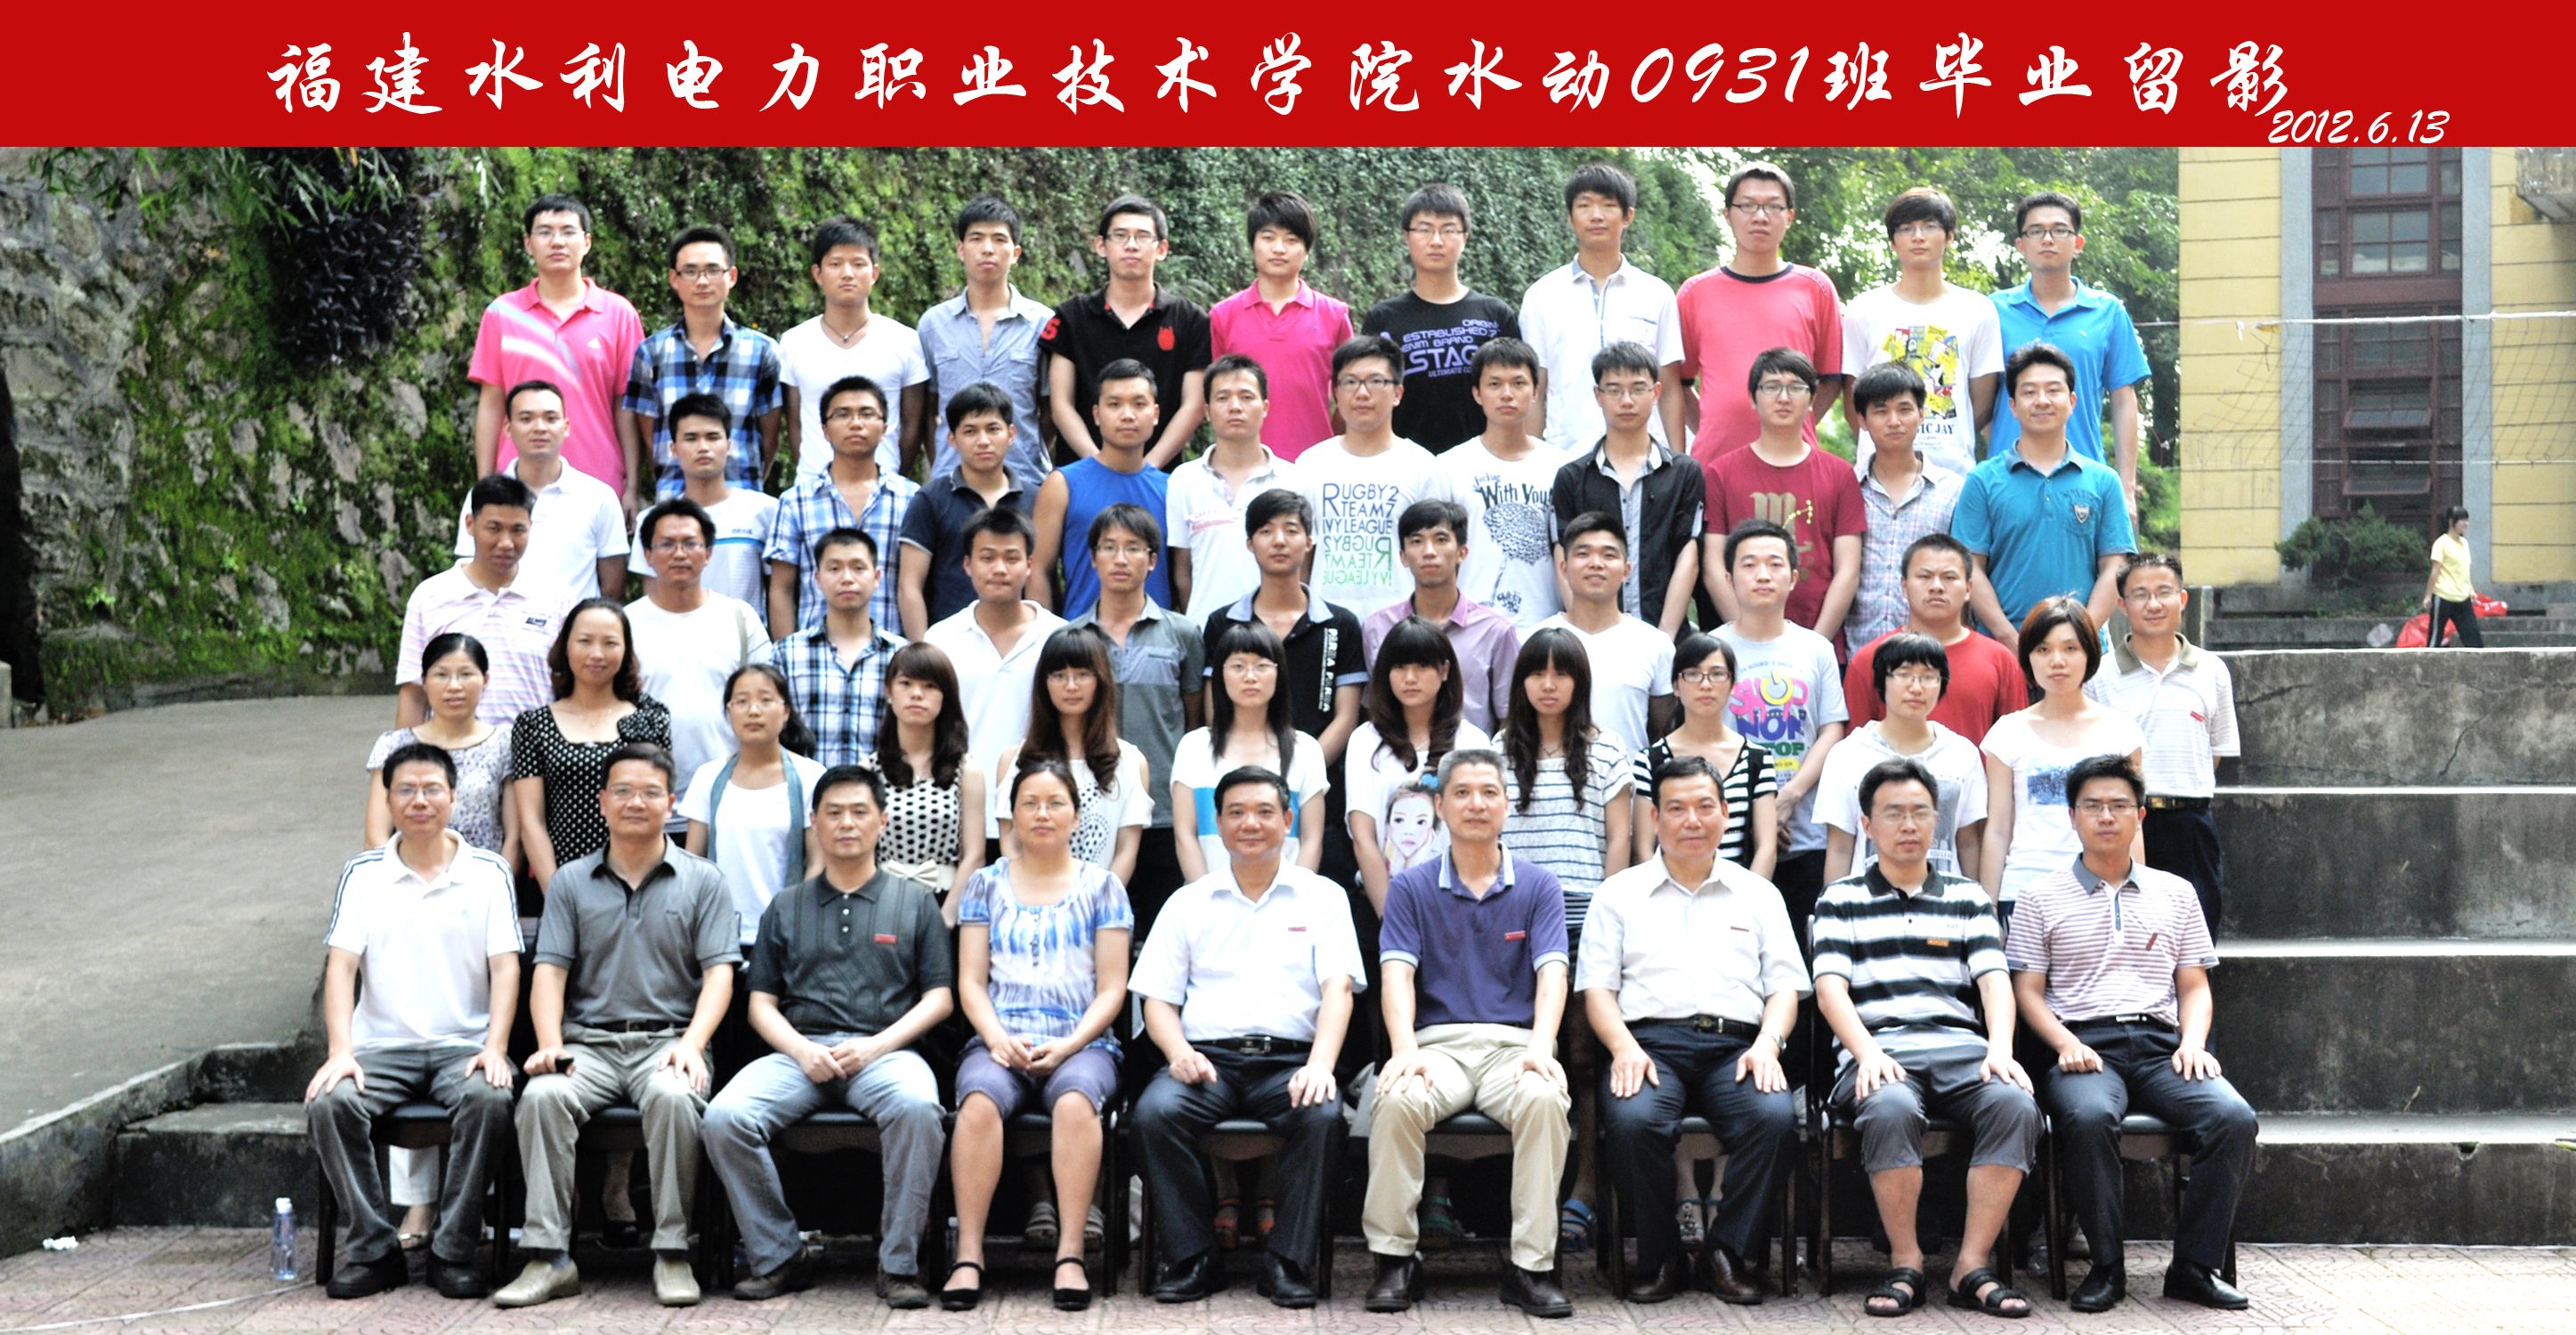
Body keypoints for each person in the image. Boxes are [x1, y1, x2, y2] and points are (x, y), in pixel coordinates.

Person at [2007, 756, 2256, 1314]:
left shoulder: (2177, 892)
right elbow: (2027, 991)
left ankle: (2193, 1267)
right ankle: (2106, 1266)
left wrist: (2193, 1042)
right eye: (2093, 806)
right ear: (2072, 816)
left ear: (2140, 816)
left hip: (2163, 1047)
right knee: (2089, 1117)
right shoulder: (2040, 896)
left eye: (2119, 805)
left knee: (2233, 1118)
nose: (2106, 816)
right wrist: (2065, 1043)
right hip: (2084, 1047)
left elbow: (2194, 985)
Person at [701, 765, 954, 1307]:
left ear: (882, 821)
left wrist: (877, 1045)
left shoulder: (914, 902)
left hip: (886, 1053)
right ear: (813, 822)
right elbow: (760, 1004)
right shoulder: (786, 905)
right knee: (725, 1117)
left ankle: (899, 1264)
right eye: (833, 813)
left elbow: (939, 998)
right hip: (800, 1055)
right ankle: (779, 1255)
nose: (846, 823)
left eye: (860, 812)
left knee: (918, 1109)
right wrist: (801, 1049)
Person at [498, 742, 735, 1310]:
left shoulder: (703, 880)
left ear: (671, 803)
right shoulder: (572, 882)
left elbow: (719, 975)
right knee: (542, 1097)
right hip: (590, 1045)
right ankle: (549, 1258)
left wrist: (693, 1044)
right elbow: (549, 973)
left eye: (651, 792)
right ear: (603, 802)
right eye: (623, 791)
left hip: (669, 1041)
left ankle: (672, 1253)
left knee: (674, 1099)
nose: (636, 802)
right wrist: (550, 1044)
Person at [1810, 757, 2039, 1319]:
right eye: (1894, 814)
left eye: (1919, 812)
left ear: (1937, 820)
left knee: (2015, 1104)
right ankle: (1906, 1262)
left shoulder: (1969, 897)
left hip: (1960, 1051)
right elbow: (1830, 990)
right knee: (1889, 1106)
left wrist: (2001, 1049)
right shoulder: (1839, 899)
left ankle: (1971, 1266)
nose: (1908, 825)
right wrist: (1866, 1052)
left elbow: (1995, 982)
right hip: (1878, 1052)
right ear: (1867, 825)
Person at [1579, 755, 1809, 1305]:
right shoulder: (1618, 894)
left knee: (1774, 1120)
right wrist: (1623, 1048)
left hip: (1738, 1047)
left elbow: (1784, 989)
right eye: (1677, 808)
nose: (1692, 820)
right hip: (1650, 1046)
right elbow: (1598, 991)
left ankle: (1725, 1252)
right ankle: (1661, 1257)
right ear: (1655, 817)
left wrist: (1769, 1045)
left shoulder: (1759, 893)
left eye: (1705, 806)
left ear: (1726, 813)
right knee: (1634, 1123)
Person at [1131, 766, 1365, 1307]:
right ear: (1218, 824)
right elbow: (1157, 999)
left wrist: (1321, 1065)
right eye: (1236, 813)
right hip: (1207, 1062)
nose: (1250, 824)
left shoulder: (1322, 897)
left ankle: (1287, 1260)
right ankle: (1193, 1257)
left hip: (1290, 1064)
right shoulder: (1189, 902)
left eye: (1264, 812)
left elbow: (1338, 990)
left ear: (1288, 820)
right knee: (1154, 1114)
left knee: (1322, 1116)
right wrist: (1178, 1053)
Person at [1364, 748, 1576, 1317]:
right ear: (1439, 806)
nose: (1475, 804)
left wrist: (1542, 1047)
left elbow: (1553, 974)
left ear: (1507, 804)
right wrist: (1404, 1050)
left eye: (1488, 792)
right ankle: (1394, 1261)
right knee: (1397, 1100)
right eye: (1461, 793)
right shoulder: (1410, 887)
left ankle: (1531, 1267)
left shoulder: (1539, 886)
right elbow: (1396, 974)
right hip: (1439, 1050)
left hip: (1515, 1049)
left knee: (1543, 1101)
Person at [307, 742, 521, 1299]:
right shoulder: (363, 874)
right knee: (330, 1102)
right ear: (388, 799)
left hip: (462, 1048)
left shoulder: (489, 871)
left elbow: (506, 968)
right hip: (381, 1047)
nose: (419, 800)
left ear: (453, 797)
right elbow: (341, 968)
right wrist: (340, 1051)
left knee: (491, 1099)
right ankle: (374, 1250)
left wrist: (496, 1047)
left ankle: (453, 1251)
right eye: (406, 789)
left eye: (431, 789)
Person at [942, 761, 1134, 1312]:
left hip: (1083, 1043)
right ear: (1012, 815)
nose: (1042, 814)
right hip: (999, 1039)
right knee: (978, 1102)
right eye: (1029, 803)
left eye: (1055, 803)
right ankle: (969, 1255)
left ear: (1076, 815)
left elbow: (1112, 989)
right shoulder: (985, 884)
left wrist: (1071, 1045)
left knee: (1075, 1102)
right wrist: (996, 1037)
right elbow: (971, 982)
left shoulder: (1103, 887)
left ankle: (1070, 1253)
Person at [1201, 488, 1369, 888]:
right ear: (1249, 543)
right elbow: (1215, 709)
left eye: (1291, 530)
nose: (1279, 541)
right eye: (1266, 531)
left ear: (1309, 541)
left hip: (1319, 791)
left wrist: (1300, 769)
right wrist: (1257, 777)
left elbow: (1346, 716)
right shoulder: (1224, 624)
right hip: (1240, 789)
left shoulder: (1340, 624)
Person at [2087, 554, 2240, 929]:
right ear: (2122, 605)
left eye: (2164, 592)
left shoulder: (2212, 671)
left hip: (2192, 824)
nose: (2153, 604)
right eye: (2140, 594)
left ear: (2182, 599)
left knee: (2196, 936)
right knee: (2128, 936)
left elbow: (2215, 753)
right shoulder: (2099, 677)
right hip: (2123, 823)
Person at [1069, 504, 1204, 923]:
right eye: (1109, 547)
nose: (1120, 559)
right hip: (1092, 809)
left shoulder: (1182, 633)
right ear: (1093, 558)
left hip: (1165, 809)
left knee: (1165, 930)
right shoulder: (1072, 638)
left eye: (1133, 548)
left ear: (1153, 560)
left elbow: (1194, 720)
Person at [1713, 519, 1849, 928]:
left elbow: (1832, 729)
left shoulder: (1816, 649)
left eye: (1774, 564)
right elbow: (1703, 736)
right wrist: (1757, 810)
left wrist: (1788, 797)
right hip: (1732, 831)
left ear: (1793, 577)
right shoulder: (1712, 649)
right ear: (1729, 578)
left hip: (1807, 830)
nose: (1763, 575)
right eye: (1749, 565)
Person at [470, 193, 646, 500]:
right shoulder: (502, 314)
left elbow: (626, 407)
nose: (557, 242)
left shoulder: (619, 314)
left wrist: (632, 485)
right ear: (528, 244)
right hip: (516, 484)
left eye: (568, 231)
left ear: (587, 242)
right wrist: (485, 484)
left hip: (599, 481)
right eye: (545, 232)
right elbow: (491, 404)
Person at [1957, 344, 2137, 639]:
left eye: (2053, 390)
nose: (2042, 401)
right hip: (2002, 650)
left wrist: (2079, 639)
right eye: (2029, 392)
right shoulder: (1982, 480)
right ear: (2013, 406)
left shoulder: (2104, 481)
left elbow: (2114, 566)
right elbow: (1970, 567)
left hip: (2083, 651)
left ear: (2072, 401)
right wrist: (2009, 640)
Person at [1989, 192, 2151, 517]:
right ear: (2021, 245)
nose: (2048, 239)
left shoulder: (2107, 312)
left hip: (2084, 480)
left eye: (2059, 230)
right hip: (2007, 479)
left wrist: (2126, 487)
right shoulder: (1994, 310)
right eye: (2036, 231)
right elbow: (1982, 397)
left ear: (2078, 243)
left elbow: (2123, 399)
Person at [1977, 597, 2146, 907]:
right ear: (2028, 657)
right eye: (2043, 650)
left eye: (2070, 648)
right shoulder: (2007, 732)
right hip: (2023, 891)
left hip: (2101, 891)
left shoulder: (2121, 732)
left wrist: (2134, 902)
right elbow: (1999, 829)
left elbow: (2132, 827)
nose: (2057, 661)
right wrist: (1989, 908)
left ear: (2089, 653)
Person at [1674, 160, 1844, 465]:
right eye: (1748, 206)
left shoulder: (1816, 288)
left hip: (1793, 465)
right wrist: (1711, 430)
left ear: (1789, 217)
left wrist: (1791, 427)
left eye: (1773, 207)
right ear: (1728, 215)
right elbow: (1678, 383)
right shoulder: (1694, 293)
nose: (1760, 217)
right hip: (1714, 463)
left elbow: (1831, 379)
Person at [1702, 348, 1867, 644]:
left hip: (1821, 641)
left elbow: (1848, 571)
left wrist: (1814, 645)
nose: (1784, 397)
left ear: (1812, 398)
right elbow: (1714, 567)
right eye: (1771, 387)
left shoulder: (1841, 475)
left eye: (1796, 387)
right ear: (1753, 398)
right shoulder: (1721, 473)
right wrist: (1745, 635)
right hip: (1739, 646)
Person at [627, 497, 771, 830]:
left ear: (708, 553)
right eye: (666, 544)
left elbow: (767, 702)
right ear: (647, 555)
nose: (679, 553)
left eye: (690, 543)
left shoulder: (739, 618)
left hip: (729, 803)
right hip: (647, 805)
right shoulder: (625, 624)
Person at [1520, 162, 1687, 452]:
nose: (1596, 215)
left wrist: (1679, 462)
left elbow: (1670, 387)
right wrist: (1533, 465)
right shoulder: (1542, 296)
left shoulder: (1656, 294)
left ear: (1628, 216)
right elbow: (1535, 390)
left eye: (1608, 205)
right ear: (1570, 217)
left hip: (1647, 458)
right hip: (1568, 456)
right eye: (1584, 205)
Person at [510, 599, 674, 892]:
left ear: (626, 650)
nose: (596, 654)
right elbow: (531, 821)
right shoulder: (533, 725)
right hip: (561, 882)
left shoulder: (651, 718)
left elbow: (655, 807)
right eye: (585, 641)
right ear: (566, 647)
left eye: (610, 643)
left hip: (639, 883)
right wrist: (559, 896)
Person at [1839, 187, 2003, 478]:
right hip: (1877, 475)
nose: (1918, 236)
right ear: (1893, 242)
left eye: (1930, 226)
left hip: (1954, 474)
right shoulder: (1863, 309)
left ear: (1949, 236)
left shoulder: (1978, 310)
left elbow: (1981, 403)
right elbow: (1854, 401)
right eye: (1906, 228)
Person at [1041, 193, 1211, 469]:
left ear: (1161, 249)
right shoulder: (1072, 317)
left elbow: (1193, 406)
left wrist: (1147, 469)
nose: (1131, 245)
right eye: (1120, 236)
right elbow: (1061, 405)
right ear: (1101, 245)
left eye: (1142, 236)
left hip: (1161, 477)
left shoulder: (1190, 320)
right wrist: (1098, 464)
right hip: (1082, 473)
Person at [1299, 336, 1459, 617]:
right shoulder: (1311, 464)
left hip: (1403, 624)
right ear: (1336, 392)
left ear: (1398, 393)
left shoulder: (1424, 468)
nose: (1362, 393)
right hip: (1325, 621)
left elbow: (1443, 558)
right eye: (1350, 382)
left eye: (1375, 381)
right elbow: (1302, 556)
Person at [398, 474, 571, 729]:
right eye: (494, 528)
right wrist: (406, 752)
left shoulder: (557, 598)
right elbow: (414, 693)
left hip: (534, 750)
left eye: (518, 530)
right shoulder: (429, 597)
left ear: (531, 528)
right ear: (470, 524)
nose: (506, 543)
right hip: (453, 749)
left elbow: (573, 686)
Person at [623, 224, 783, 498]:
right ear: (674, 279)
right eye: (690, 271)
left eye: (712, 270)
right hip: (674, 500)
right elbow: (652, 439)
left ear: (731, 276)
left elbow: (770, 437)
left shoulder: (762, 351)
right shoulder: (651, 353)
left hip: (743, 500)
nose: (702, 281)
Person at [1347, 617, 1493, 914]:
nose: (1410, 678)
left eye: (1423, 666)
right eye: (1399, 667)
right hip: (1380, 905)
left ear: (1445, 671)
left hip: (1458, 908)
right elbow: (1363, 837)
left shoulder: (1473, 742)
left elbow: (1483, 833)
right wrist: (1391, 918)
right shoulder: (1365, 740)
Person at [1171, 623, 1331, 894]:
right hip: (1208, 903)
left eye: (1261, 666)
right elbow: (1185, 835)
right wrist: (1206, 900)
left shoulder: (1305, 749)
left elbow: (1312, 839)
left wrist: (1293, 899)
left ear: (1279, 673)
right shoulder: (1193, 747)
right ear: (1220, 674)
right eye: (1238, 666)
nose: (1250, 676)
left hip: (1286, 903)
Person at [1363, 183, 1521, 454]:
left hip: (1483, 462)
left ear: (1465, 237)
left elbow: (1518, 392)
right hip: (1406, 462)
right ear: (1407, 236)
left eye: (1448, 230)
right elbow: (1371, 394)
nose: (1436, 241)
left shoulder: (1495, 315)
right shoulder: (1383, 319)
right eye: (1424, 229)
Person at [1818, 633, 1989, 883]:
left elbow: (1968, 842)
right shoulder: (1847, 754)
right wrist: (1833, 903)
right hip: (1868, 899)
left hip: (1945, 900)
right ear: (1882, 681)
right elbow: (1840, 847)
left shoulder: (1962, 753)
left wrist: (1977, 899)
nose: (1916, 688)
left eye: (1929, 676)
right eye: (1903, 674)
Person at [680, 664, 828, 948]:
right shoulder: (708, 777)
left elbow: (818, 862)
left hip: (788, 935)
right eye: (742, 701)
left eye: (765, 700)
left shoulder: (811, 776)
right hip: (718, 937)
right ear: (729, 711)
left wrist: (796, 920)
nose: (754, 710)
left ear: (785, 711)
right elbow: (692, 862)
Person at [1499, 627, 1633, 941]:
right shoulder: (1499, 749)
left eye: (1560, 674)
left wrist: (1608, 911)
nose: (1548, 685)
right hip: (1515, 909)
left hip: (1586, 911)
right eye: (1536, 674)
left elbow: (1619, 837)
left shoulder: (1607, 748)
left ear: (1579, 681)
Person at [920, 195, 1057, 496]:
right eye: (976, 238)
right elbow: (927, 410)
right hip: (951, 483)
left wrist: (1025, 449)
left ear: (1016, 252)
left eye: (999, 239)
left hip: (1024, 482)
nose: (987, 249)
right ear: (961, 249)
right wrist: (943, 459)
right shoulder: (933, 325)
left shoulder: (1042, 323)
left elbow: (1051, 410)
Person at [990, 626, 1152, 878]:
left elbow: (1126, 851)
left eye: (1082, 674)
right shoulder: (1014, 760)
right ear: (1044, 682)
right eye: (1059, 675)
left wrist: (1097, 897)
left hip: (1101, 899)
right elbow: (1010, 843)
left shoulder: (1130, 761)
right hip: (1028, 895)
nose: (1071, 685)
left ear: (1101, 680)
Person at [922, 506, 1067, 786]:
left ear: (1029, 565)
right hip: (959, 796)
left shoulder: (1058, 637)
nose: (999, 569)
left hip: (1041, 798)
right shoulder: (941, 640)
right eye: (987, 558)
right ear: (968, 564)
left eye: (1011, 558)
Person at [778, 216, 928, 483]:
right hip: (813, 488)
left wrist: (891, 477)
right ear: (818, 274)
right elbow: (795, 424)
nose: (847, 274)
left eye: (858, 264)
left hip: (884, 487)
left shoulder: (905, 341)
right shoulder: (794, 342)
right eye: (835, 264)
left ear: (874, 273)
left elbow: (912, 426)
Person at [767, 375, 919, 637]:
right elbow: (781, 589)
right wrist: (785, 654)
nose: (856, 423)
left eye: (867, 414)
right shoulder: (796, 502)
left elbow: (917, 585)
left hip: (893, 653)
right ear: (825, 430)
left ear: (884, 428)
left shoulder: (911, 498)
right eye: (842, 414)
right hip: (814, 652)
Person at [1209, 190, 1355, 461]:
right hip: (1244, 464)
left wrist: (1329, 441)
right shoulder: (1223, 315)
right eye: (1268, 237)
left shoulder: (1334, 315)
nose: (1278, 248)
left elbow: (1351, 394)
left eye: (1291, 240)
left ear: (1306, 252)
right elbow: (1216, 394)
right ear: (1253, 244)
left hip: (1315, 465)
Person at [452, 380, 628, 599]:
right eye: (526, 419)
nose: (540, 428)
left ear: (566, 427)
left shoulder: (599, 497)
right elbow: (468, 572)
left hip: (574, 620)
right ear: (508, 428)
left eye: (550, 418)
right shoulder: (482, 496)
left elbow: (612, 587)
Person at [1845, 533, 2029, 744]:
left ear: (1968, 589)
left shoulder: (2000, 661)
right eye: (1924, 576)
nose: (1937, 587)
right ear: (1904, 586)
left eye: (1949, 577)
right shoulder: (1870, 659)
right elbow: (1855, 747)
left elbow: (2015, 748)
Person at [1362, 499, 1519, 733]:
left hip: (1471, 753)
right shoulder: (1378, 628)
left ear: (1462, 552)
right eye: (1416, 541)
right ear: (1403, 556)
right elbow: (1374, 708)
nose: (1429, 551)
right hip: (1397, 752)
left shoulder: (1495, 631)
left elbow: (1510, 718)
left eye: (1441, 540)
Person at [1442, 337, 1565, 630]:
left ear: (1536, 391)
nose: (1507, 394)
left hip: (1545, 626)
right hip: (1469, 626)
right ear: (1477, 393)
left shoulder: (1562, 468)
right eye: (1495, 384)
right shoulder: (1448, 467)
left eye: (1518, 383)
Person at [1166, 356, 1301, 620]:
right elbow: (1183, 571)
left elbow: (1303, 566)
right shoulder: (1184, 480)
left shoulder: (1294, 480)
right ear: (1207, 411)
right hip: (1205, 631)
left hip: (1277, 632)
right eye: (1223, 398)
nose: (1235, 407)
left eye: (1246, 397)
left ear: (1265, 407)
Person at [1032, 360, 1171, 615]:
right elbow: (1038, 569)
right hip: (1081, 634)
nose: (1127, 415)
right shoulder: (1062, 484)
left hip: (1157, 635)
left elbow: (1183, 575)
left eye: (1139, 404)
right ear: (1096, 414)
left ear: (1155, 414)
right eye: (1114, 404)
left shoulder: (1173, 489)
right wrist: (1046, 633)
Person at [1633, 633, 1777, 878]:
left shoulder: (1757, 759)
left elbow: (1767, 847)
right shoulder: (1650, 760)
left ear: (1732, 684)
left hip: (1737, 890)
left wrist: (1748, 895)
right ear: (1676, 686)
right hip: (1668, 890)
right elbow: (1643, 848)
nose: (1706, 684)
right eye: (1693, 674)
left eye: (1717, 674)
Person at [367, 634, 516, 868]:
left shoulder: (505, 744)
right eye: (441, 675)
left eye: (466, 674)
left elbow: (514, 836)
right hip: (407, 880)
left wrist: (497, 881)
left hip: (481, 881)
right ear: (424, 682)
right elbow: (376, 836)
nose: (454, 686)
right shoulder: (394, 745)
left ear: (485, 679)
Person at [1535, 511, 1676, 758]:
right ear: (1564, 568)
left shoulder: (1655, 644)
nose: (1596, 564)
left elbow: (1663, 731)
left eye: (1609, 555)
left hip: (1630, 780)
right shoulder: (1534, 640)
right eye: (1583, 554)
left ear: (1627, 570)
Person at [1846, 363, 1966, 650]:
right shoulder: (1847, 488)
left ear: (1921, 415)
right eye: (1880, 411)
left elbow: (1965, 574)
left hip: (1933, 654)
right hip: (1858, 650)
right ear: (1862, 419)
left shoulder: (1953, 490)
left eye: (1904, 409)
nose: (1894, 421)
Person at [897, 383, 1032, 636]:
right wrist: (923, 651)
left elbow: (1041, 576)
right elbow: (910, 585)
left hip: (1022, 641)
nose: (983, 441)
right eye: (970, 431)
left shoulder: (1035, 499)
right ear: (952, 439)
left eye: (993, 429)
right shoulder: (930, 500)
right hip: (949, 643)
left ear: (1011, 434)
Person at [767, 528, 906, 770]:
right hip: (806, 790)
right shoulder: (787, 654)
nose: (847, 578)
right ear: (817, 579)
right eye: (834, 569)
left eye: (858, 568)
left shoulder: (900, 655)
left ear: (876, 577)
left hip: (879, 790)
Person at [625, 393, 779, 610]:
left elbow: (779, 592)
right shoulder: (652, 520)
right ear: (674, 449)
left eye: (713, 437)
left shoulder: (765, 510)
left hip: (745, 631)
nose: (703, 447)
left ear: (729, 445)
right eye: (691, 438)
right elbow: (652, 603)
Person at [866, 643, 987, 916]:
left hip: (943, 901)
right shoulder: (869, 769)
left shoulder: (967, 771)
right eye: (906, 683)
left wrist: (947, 917)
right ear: (888, 691)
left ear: (946, 696)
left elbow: (974, 855)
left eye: (930, 686)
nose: (917, 694)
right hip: (880, 904)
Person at [2424, 504, 2484, 648]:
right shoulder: (2441, 543)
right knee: (2435, 640)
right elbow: (2435, 571)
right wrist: (2428, 596)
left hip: (2462, 597)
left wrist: (2471, 590)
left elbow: (2464, 570)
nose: (2466, 524)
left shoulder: (2465, 543)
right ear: (2452, 522)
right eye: (2462, 520)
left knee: (2474, 641)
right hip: (2443, 596)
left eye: (2467, 520)